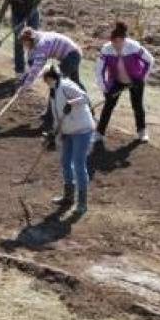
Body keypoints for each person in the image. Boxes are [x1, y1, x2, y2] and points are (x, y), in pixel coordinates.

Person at [43, 66, 94, 215]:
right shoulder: (53, 92)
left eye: (47, 79)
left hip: (82, 130)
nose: (46, 82)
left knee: (78, 164)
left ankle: (82, 203)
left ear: (52, 77)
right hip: (67, 132)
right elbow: (57, 116)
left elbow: (85, 98)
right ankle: (68, 196)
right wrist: (54, 133)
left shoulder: (66, 85)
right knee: (65, 162)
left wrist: (72, 103)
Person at [94, 22, 155, 144]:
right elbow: (99, 71)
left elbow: (149, 61)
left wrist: (142, 78)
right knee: (108, 106)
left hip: (135, 80)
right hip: (116, 81)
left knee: (137, 106)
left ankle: (142, 132)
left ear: (124, 40)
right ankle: (99, 133)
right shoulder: (106, 50)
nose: (116, 45)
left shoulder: (134, 47)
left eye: (118, 42)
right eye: (113, 42)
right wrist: (105, 88)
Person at [18, 28, 85, 137]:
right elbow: (31, 64)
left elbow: (36, 69)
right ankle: (86, 108)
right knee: (75, 83)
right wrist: (24, 78)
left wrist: (25, 85)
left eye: (25, 43)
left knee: (55, 85)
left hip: (72, 56)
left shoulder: (42, 45)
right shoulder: (36, 40)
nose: (24, 46)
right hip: (70, 55)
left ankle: (50, 117)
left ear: (30, 40)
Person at [0, 0, 44, 78]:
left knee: (33, 39)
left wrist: (31, 13)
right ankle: (19, 71)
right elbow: (0, 16)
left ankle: (33, 66)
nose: (18, 0)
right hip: (17, 15)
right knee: (18, 41)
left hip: (32, 13)